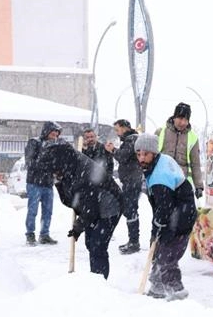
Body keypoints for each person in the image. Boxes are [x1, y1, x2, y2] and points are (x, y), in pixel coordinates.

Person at [38, 141, 123, 278]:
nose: (53, 174)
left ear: (59, 164)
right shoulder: (67, 167)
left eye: (54, 171)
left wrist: (79, 226)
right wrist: (59, 184)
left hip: (110, 205)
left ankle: (99, 282)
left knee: (97, 245)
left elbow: (90, 209)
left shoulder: (82, 174)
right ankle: (95, 277)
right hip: (93, 205)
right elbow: (71, 202)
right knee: (90, 243)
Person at [134, 133, 197, 299]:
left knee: (166, 257)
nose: (141, 158)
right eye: (138, 154)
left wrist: (158, 228)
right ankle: (157, 288)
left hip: (179, 218)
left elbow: (164, 208)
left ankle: (177, 291)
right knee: (160, 251)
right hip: (179, 212)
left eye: (145, 154)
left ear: (154, 153)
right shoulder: (162, 160)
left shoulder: (159, 177)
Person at [105, 119, 144, 254]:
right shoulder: (130, 139)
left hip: (132, 180)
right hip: (130, 179)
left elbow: (123, 157)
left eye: (118, 129)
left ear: (125, 128)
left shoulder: (132, 139)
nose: (117, 133)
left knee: (131, 210)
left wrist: (112, 150)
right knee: (129, 210)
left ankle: (134, 242)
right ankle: (132, 240)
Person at [24, 121, 61, 246]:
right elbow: (30, 162)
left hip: (48, 184)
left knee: (48, 211)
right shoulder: (34, 142)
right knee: (32, 210)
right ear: (46, 131)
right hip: (34, 183)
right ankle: (30, 234)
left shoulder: (55, 146)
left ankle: (44, 235)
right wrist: (47, 163)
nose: (55, 136)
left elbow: (56, 164)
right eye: (53, 133)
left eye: (57, 134)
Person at [158, 102, 205, 199]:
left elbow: (195, 164)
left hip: (182, 183)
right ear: (174, 117)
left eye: (186, 120)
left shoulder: (193, 137)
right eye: (180, 118)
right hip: (162, 181)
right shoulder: (161, 132)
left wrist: (199, 186)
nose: (183, 123)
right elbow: (151, 156)